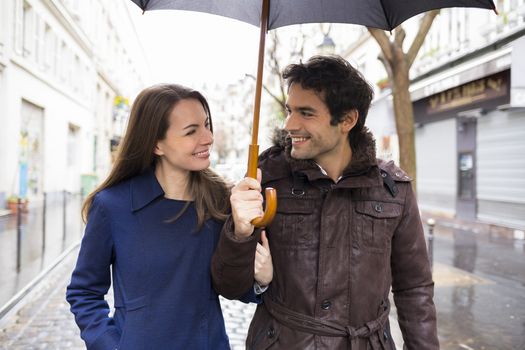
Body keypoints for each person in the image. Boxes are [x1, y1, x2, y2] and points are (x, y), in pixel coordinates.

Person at [211, 56, 439, 350]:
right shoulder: (266, 179)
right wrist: (239, 233)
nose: (289, 124)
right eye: (289, 110)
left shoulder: (392, 189)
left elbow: (414, 288)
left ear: (347, 120)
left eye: (306, 113)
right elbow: (229, 285)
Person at [66, 83, 273, 350]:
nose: (208, 137)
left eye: (207, 124)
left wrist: (260, 280)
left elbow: (230, 284)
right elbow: (84, 292)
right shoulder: (113, 205)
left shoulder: (221, 200)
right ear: (156, 145)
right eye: (191, 131)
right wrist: (110, 345)